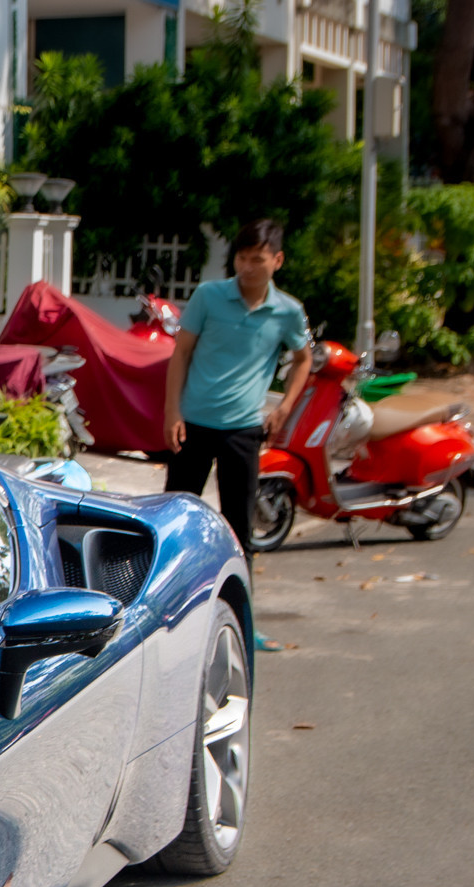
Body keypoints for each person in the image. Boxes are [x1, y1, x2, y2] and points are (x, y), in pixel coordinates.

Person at [163, 219, 313, 649]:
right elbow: (182, 353)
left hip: (243, 431)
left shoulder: (287, 311)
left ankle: (243, 624)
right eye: (242, 258)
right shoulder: (209, 296)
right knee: (177, 519)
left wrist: (284, 406)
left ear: (277, 261)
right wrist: (172, 411)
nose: (248, 266)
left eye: (258, 259)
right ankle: (170, 615)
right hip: (192, 423)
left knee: (238, 531)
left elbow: (303, 359)